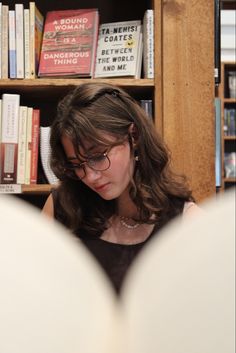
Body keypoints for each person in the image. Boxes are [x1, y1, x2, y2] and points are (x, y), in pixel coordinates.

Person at [42, 82, 199, 293]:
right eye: (77, 164)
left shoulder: (185, 221)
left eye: (97, 156)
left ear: (133, 137)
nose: (90, 176)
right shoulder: (62, 207)